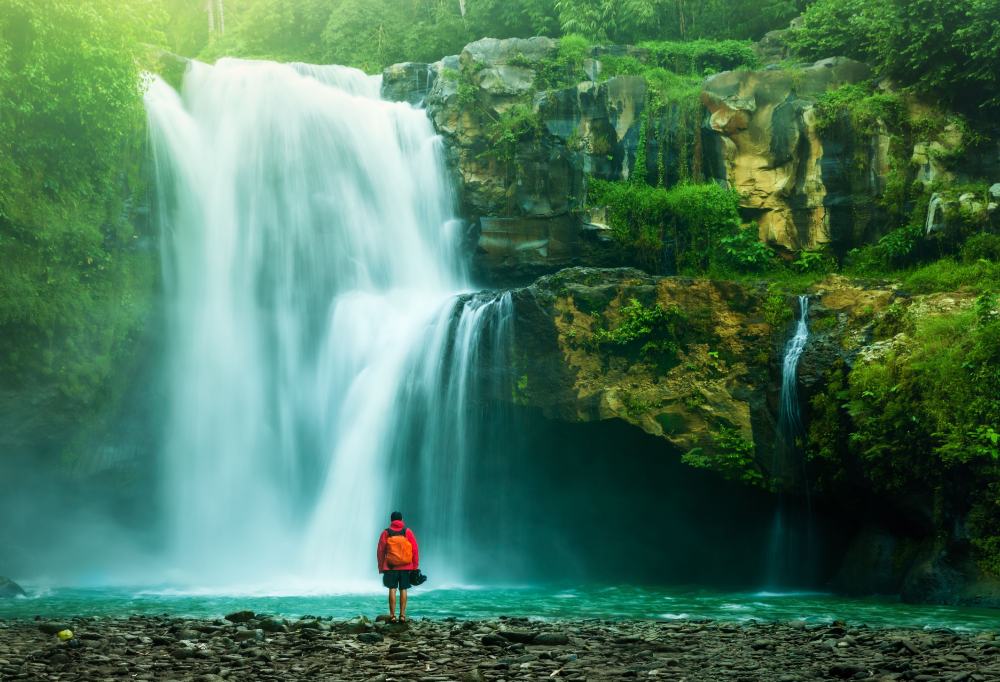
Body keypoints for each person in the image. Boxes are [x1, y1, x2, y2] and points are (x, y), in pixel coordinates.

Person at [376, 511, 419, 623]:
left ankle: (392, 615)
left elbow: (380, 551)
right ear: (401, 519)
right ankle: (402, 615)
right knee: (403, 589)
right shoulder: (407, 532)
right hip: (406, 566)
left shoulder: (386, 533)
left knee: (392, 589)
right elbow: (414, 549)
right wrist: (415, 566)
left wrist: (381, 567)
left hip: (390, 567)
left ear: (391, 520)